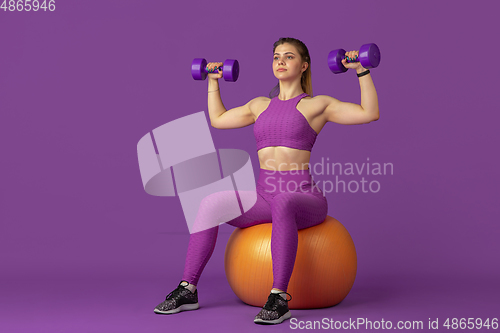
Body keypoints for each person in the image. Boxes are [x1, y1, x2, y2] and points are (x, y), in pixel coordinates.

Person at [153, 37, 379, 325]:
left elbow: (369, 112)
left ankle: (279, 298)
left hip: (303, 197)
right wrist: (213, 80)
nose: (280, 61)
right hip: (264, 196)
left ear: (304, 65)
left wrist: (361, 69)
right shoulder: (259, 105)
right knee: (210, 203)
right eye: (276, 57)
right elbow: (219, 119)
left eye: (289, 56)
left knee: (284, 201)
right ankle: (188, 289)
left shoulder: (317, 104)